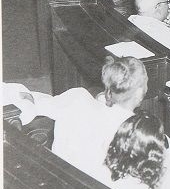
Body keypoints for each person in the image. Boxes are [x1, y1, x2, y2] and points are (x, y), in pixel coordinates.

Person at [5, 56, 148, 176]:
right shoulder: (138, 131)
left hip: (58, 175)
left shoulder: (78, 98)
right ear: (139, 93)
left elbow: (35, 104)